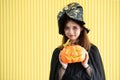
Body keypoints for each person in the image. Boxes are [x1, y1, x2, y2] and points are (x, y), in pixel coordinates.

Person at [49, 2, 105, 80]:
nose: (71, 32)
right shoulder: (58, 52)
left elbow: (100, 78)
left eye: (75, 27)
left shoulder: (92, 50)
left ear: (81, 28)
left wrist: (86, 65)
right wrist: (63, 67)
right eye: (67, 28)